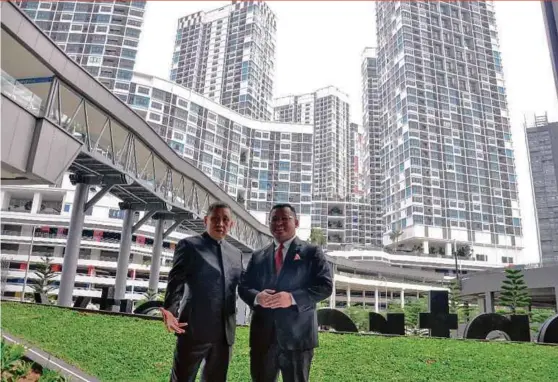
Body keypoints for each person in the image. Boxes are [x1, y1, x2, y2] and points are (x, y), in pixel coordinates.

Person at [239, 203, 333, 382]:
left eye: (285, 218)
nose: (279, 223)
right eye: (274, 219)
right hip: (263, 339)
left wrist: (291, 298)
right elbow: (243, 286)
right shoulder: (258, 256)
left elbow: (325, 286)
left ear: (296, 222)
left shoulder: (312, 252)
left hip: (298, 339)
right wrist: (258, 297)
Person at [160, 202, 242, 382]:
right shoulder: (189, 246)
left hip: (224, 335)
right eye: (215, 219)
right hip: (193, 329)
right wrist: (171, 310)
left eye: (225, 219)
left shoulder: (236, 254)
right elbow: (176, 281)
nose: (220, 223)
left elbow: (244, 286)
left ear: (231, 224)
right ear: (206, 220)